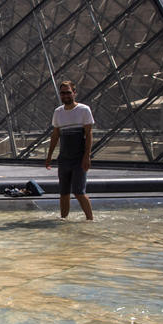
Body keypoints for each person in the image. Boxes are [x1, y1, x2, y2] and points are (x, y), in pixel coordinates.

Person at [45, 80, 94, 220]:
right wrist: (49, 156)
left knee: (79, 192)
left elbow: (89, 134)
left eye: (68, 92)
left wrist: (87, 156)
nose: (65, 95)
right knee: (64, 192)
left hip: (79, 158)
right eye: (62, 93)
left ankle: (90, 220)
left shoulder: (84, 110)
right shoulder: (58, 112)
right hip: (64, 158)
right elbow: (55, 135)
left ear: (74, 93)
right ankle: (63, 219)